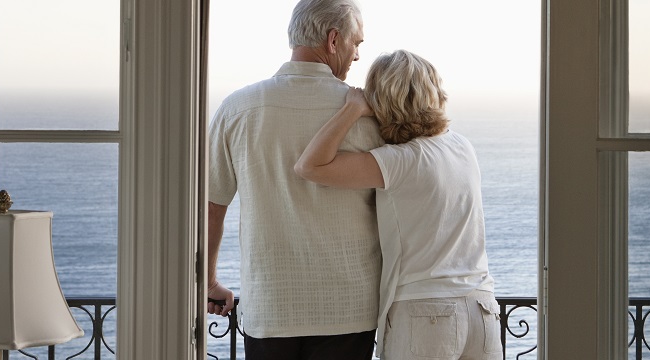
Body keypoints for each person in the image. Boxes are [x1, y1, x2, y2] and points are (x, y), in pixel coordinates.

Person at [205, 0, 383, 358]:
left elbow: (212, 206)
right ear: (334, 40)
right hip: (348, 307)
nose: (358, 55)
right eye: (357, 43)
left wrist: (207, 282)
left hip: (271, 305)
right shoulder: (368, 114)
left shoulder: (238, 108)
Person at [295, 50, 500, 360]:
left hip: (425, 312)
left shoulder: (399, 162)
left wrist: (351, 110)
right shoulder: (462, 147)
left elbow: (309, 166)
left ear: (381, 100)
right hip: (482, 309)